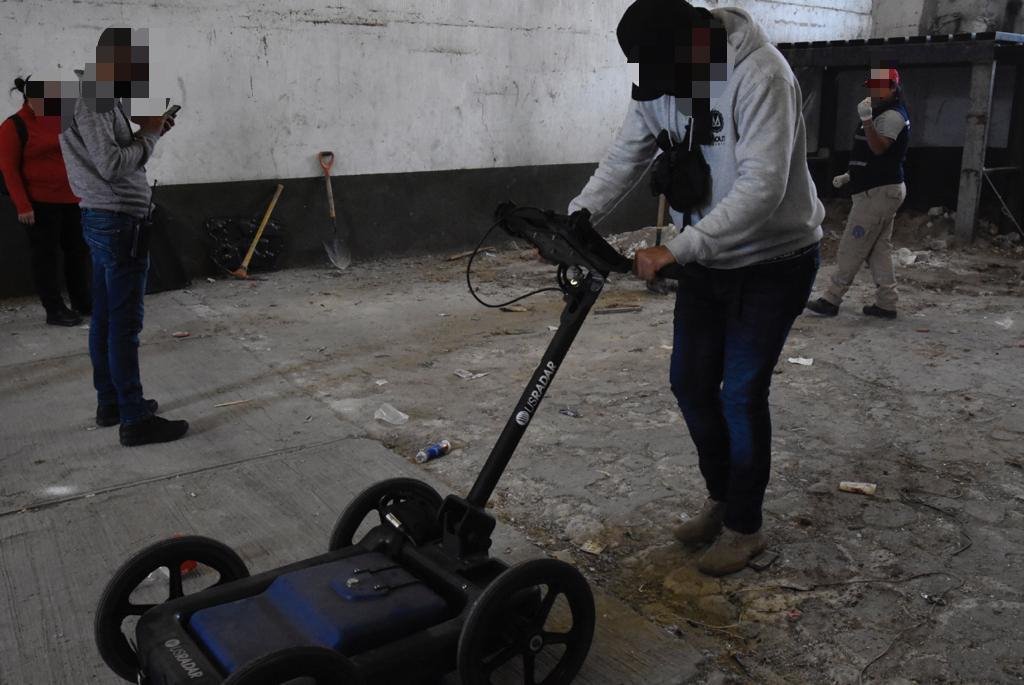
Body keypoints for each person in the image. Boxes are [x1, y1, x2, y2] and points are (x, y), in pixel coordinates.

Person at [570, 0, 823, 576]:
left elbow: (761, 188)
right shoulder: (662, 73)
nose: (665, 92)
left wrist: (675, 248)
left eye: (672, 78)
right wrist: (573, 219)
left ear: (696, 45)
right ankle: (721, 498)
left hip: (773, 260)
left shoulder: (762, 75)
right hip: (710, 261)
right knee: (689, 382)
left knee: (739, 393)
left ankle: (744, 526)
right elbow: (623, 156)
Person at [59, 27, 189, 446]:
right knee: (123, 324)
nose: (140, 75)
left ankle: (112, 403)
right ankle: (133, 417)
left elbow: (113, 155)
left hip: (107, 218)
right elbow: (113, 165)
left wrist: (148, 133)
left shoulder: (94, 96)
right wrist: (149, 133)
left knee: (106, 318)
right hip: (117, 220)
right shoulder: (91, 97)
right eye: (137, 65)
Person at [806, 67, 910, 320]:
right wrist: (851, 175)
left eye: (878, 87)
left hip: (878, 193)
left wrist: (865, 121)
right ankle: (887, 303)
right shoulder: (882, 114)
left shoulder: (891, 117)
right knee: (878, 250)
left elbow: (879, 149)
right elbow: (873, 157)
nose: (872, 92)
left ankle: (831, 299)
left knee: (852, 246)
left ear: (892, 88)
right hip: (880, 189)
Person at [0, 76, 90, 326]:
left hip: (73, 199)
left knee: (77, 253)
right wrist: (23, 205)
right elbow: (8, 170)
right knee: (46, 257)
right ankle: (54, 309)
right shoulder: (13, 126)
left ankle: (82, 301)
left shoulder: (59, 121)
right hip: (39, 205)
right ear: (30, 99)